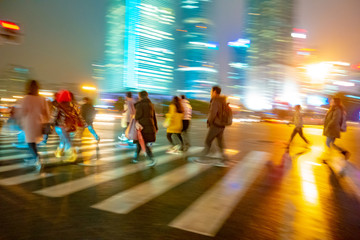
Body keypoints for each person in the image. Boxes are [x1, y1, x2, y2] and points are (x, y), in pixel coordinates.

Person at [18, 80, 50, 170]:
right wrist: (47, 122)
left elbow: (22, 112)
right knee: (34, 142)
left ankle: (37, 158)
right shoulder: (42, 99)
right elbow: (46, 112)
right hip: (39, 123)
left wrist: (20, 121)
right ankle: (31, 158)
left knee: (30, 143)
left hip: (29, 123)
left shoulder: (26, 98)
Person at [197, 86, 228, 166]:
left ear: (214, 92)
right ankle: (223, 160)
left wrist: (209, 122)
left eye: (211, 91)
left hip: (215, 125)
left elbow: (213, 113)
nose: (210, 93)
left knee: (208, 141)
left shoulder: (215, 100)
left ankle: (202, 158)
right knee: (220, 143)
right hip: (221, 125)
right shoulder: (222, 101)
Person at [52, 90, 84, 162]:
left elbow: (54, 117)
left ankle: (59, 153)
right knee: (67, 140)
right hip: (68, 127)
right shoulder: (73, 106)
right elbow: (79, 117)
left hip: (59, 127)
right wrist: (84, 124)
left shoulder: (58, 106)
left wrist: (51, 125)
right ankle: (69, 156)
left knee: (64, 140)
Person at [134, 91, 158, 167]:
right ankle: (135, 158)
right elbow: (154, 117)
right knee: (140, 143)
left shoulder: (140, 104)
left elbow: (138, 116)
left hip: (142, 127)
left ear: (140, 96)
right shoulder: (151, 104)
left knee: (143, 143)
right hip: (150, 126)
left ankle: (152, 159)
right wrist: (156, 127)